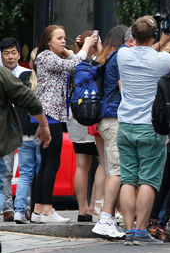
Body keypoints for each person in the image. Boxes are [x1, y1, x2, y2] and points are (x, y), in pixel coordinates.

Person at [117, 15, 170, 245]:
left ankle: (128, 231)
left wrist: (156, 40)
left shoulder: (122, 55)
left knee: (127, 180)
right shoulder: (162, 60)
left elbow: (142, 49)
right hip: (150, 126)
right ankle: (141, 231)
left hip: (125, 125)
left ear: (133, 36)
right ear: (154, 36)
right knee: (148, 180)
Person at [32, 25, 98, 223]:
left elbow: (73, 62)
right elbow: (75, 63)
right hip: (49, 116)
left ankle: (39, 209)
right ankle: (46, 210)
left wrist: (71, 50)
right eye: (59, 38)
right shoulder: (45, 56)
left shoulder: (55, 57)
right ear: (48, 41)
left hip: (54, 116)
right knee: (51, 163)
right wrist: (86, 45)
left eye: (64, 37)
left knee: (48, 163)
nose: (63, 40)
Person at [0, 63, 52, 228]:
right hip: (35, 132)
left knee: (24, 174)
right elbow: (29, 100)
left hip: (23, 133)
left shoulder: (21, 77)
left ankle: (20, 210)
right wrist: (44, 125)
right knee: (37, 171)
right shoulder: (6, 76)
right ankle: (35, 208)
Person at [91, 25, 130, 239]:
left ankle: (110, 217)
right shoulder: (120, 57)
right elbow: (124, 90)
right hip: (114, 118)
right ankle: (105, 218)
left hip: (106, 119)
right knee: (116, 172)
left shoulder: (107, 57)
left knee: (111, 169)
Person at [69, 30, 105, 222]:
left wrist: (79, 49)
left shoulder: (76, 61)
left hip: (77, 116)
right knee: (103, 164)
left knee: (81, 165)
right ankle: (94, 206)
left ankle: (82, 209)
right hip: (96, 116)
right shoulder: (100, 61)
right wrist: (100, 51)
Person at [1, 37, 32, 222]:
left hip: (24, 128)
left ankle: (25, 206)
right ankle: (7, 209)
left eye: (13, 53)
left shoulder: (28, 74)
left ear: (19, 55)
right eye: (6, 53)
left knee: (26, 170)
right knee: (5, 170)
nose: (10, 57)